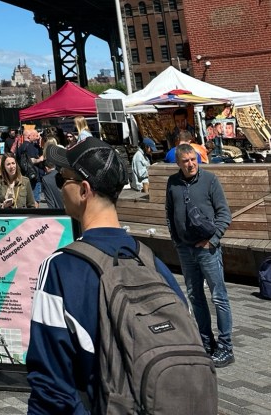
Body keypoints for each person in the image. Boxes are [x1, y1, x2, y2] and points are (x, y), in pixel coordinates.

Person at [27, 138, 185, 415]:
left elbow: (50, 387)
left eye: (63, 179)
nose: (60, 186)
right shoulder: (152, 261)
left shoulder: (59, 269)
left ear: (84, 190)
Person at [166, 142, 234, 367]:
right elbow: (169, 213)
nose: (190, 164)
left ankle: (226, 347)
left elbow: (224, 213)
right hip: (185, 250)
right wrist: (176, 241)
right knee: (195, 296)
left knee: (219, 297)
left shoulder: (210, 180)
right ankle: (206, 342)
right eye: (185, 161)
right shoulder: (173, 183)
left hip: (208, 249)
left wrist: (213, 240)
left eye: (193, 160)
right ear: (178, 163)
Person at [16, 129, 45, 203]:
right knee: (35, 200)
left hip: (24, 176)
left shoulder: (20, 147)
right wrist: (40, 159)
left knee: (26, 200)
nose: (37, 137)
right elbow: (31, 160)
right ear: (29, 136)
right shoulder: (30, 146)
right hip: (33, 176)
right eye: (34, 135)